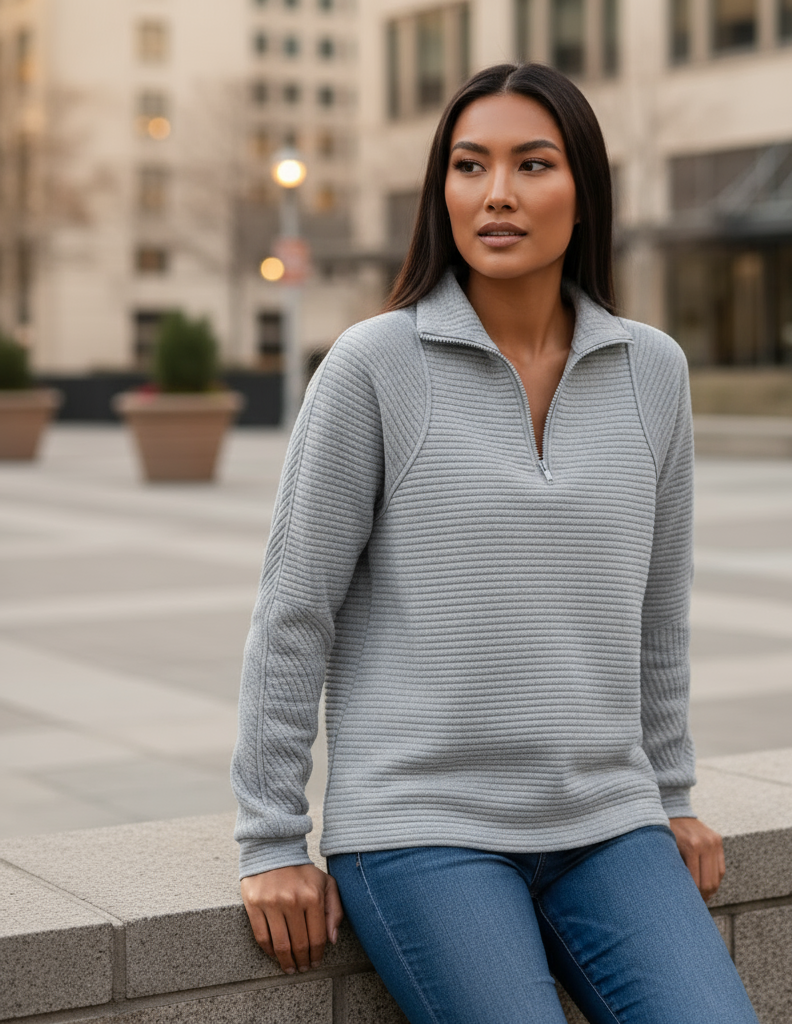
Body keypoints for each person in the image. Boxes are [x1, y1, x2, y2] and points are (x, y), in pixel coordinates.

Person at [231, 62, 760, 1024]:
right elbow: (295, 607)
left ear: (584, 191)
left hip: (608, 823)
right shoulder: (373, 366)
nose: (498, 193)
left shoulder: (653, 371)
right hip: (422, 828)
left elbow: (658, 613)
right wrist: (271, 838)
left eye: (533, 164)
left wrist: (671, 793)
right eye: (470, 165)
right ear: (442, 192)